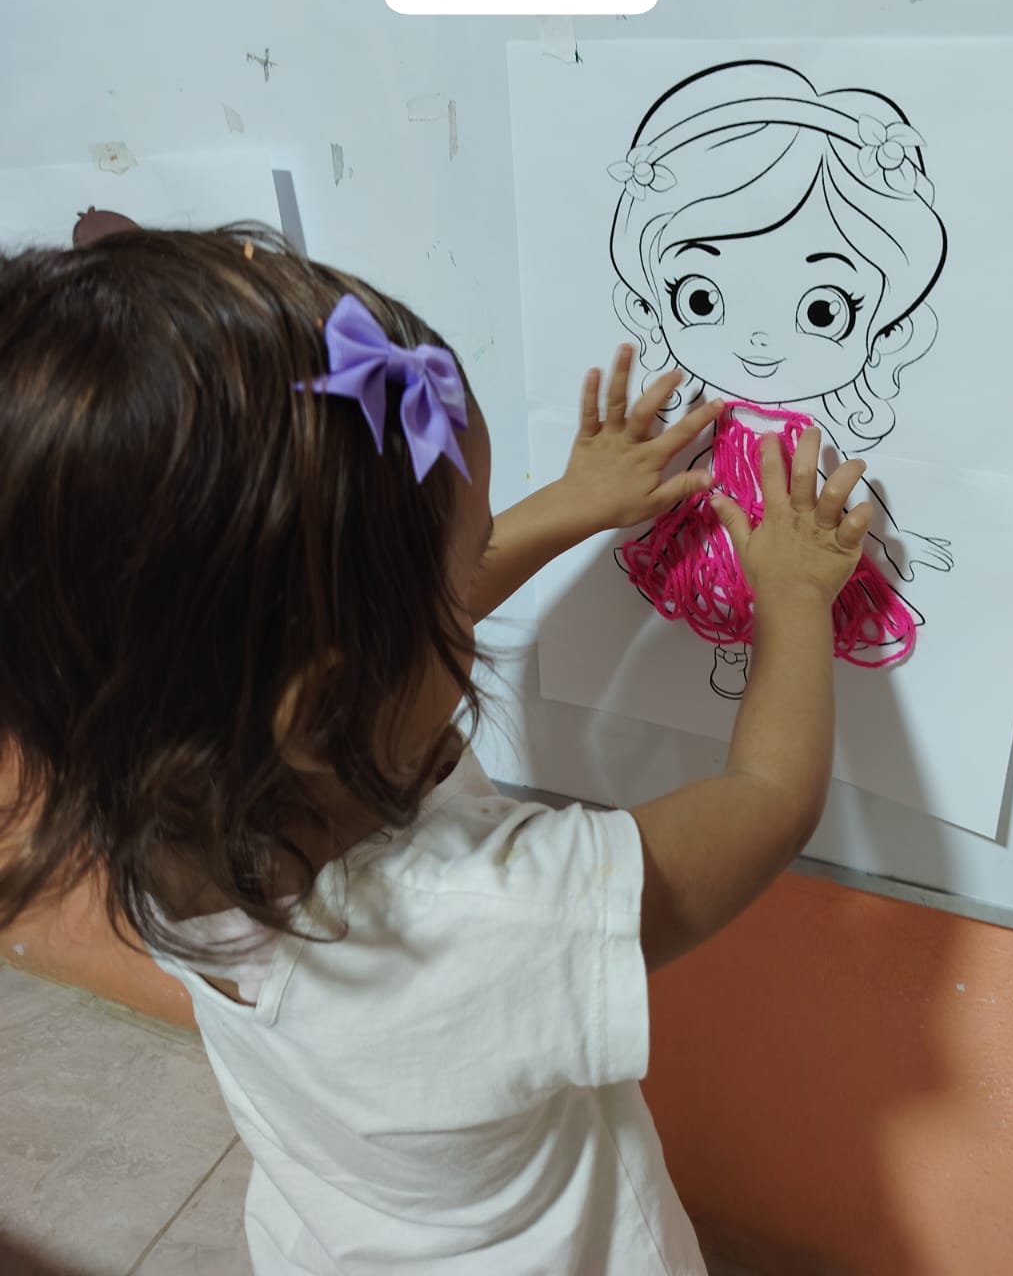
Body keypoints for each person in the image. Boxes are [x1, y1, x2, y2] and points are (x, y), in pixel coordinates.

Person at [0, 225, 872, 1275]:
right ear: (326, 704)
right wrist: (792, 597)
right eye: (465, 563)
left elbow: (364, 623)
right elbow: (769, 794)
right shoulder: (495, 919)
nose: (475, 583)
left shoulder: (152, 800)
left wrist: (573, 503)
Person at [609, 58, 953, 695]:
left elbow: (846, 488)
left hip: (792, 538)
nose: (760, 342)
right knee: (720, 595)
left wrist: (893, 539)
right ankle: (734, 655)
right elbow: (697, 465)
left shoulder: (803, 432)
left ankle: (768, 655)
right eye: (701, 298)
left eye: (823, 309)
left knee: (774, 601)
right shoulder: (719, 419)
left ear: (885, 324)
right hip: (718, 531)